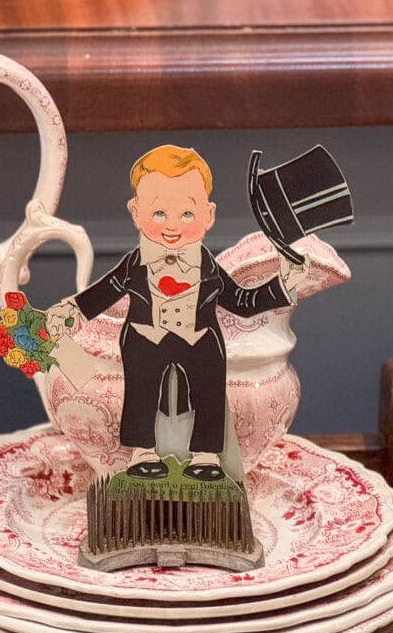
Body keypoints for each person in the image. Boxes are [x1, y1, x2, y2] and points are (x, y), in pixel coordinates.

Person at [46, 145, 305, 481]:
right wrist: (71, 311)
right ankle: (142, 452)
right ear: (135, 213)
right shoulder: (134, 265)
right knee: (140, 390)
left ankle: (207, 455)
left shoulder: (208, 266)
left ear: (208, 215)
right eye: (158, 214)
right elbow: (104, 292)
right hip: (144, 337)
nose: (173, 225)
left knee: (208, 390)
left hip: (200, 339)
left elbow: (241, 302)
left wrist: (283, 284)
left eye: (186, 214)